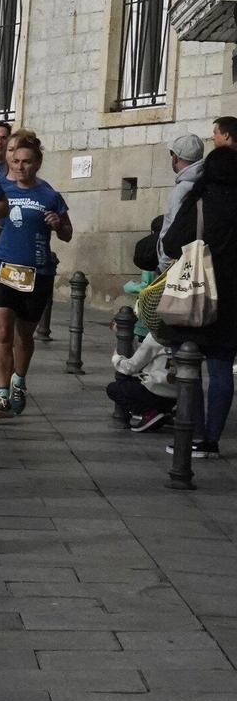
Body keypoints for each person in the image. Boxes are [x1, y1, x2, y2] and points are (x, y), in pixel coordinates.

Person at [0, 129, 71, 419]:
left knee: (24, 334)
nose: (20, 166)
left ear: (37, 163)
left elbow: (67, 233)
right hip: (2, 267)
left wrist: (58, 224)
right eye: (16, 161)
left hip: (37, 271)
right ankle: (2, 394)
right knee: (1, 329)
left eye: (27, 161)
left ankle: (18, 380)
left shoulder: (49, 194)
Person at [160, 144, 237, 457]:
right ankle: (212, 441)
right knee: (221, 368)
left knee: (187, 363)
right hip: (231, 301)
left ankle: (195, 434)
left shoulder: (200, 201)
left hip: (197, 293)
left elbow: (171, 242)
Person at [158, 132, 207, 269]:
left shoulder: (181, 190)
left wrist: (164, 265)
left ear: (175, 158)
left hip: (179, 263)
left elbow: (174, 230)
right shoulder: (207, 182)